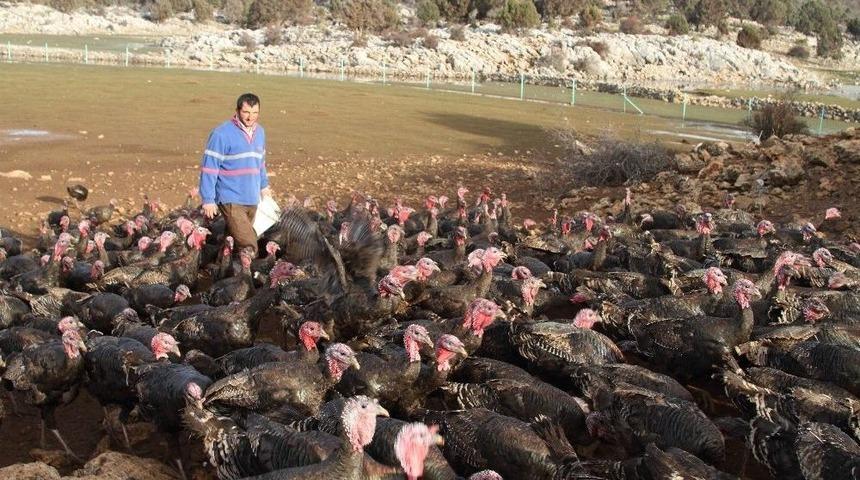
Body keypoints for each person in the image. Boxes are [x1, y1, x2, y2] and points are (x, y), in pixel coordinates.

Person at [199, 93, 271, 255]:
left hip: (252, 198)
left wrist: (264, 186)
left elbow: (260, 162)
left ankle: (220, 273)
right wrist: (208, 199)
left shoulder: (260, 133)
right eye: (246, 112)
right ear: (237, 111)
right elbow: (209, 167)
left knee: (231, 242)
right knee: (249, 245)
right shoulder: (221, 134)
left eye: (254, 113)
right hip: (231, 198)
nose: (250, 117)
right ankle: (250, 279)